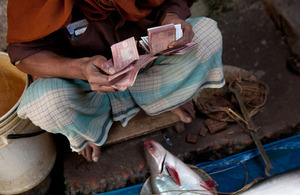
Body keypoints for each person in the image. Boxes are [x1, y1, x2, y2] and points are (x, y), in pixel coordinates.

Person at [6, 0, 225, 162]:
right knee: (43, 104)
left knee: (207, 35)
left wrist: (171, 19)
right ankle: (87, 130)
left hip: (148, 63)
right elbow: (24, 54)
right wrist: (79, 68)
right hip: (84, 84)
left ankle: (165, 99)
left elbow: (171, 3)